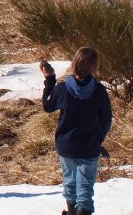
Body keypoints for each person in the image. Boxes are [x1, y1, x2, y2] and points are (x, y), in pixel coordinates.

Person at [41, 47, 113, 215]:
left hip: (66, 146)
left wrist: (49, 79)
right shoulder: (100, 92)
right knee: (85, 192)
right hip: (89, 148)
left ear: (74, 63)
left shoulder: (62, 89)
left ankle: (72, 212)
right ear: (94, 67)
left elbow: (47, 105)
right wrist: (97, 140)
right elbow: (106, 120)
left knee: (70, 185)